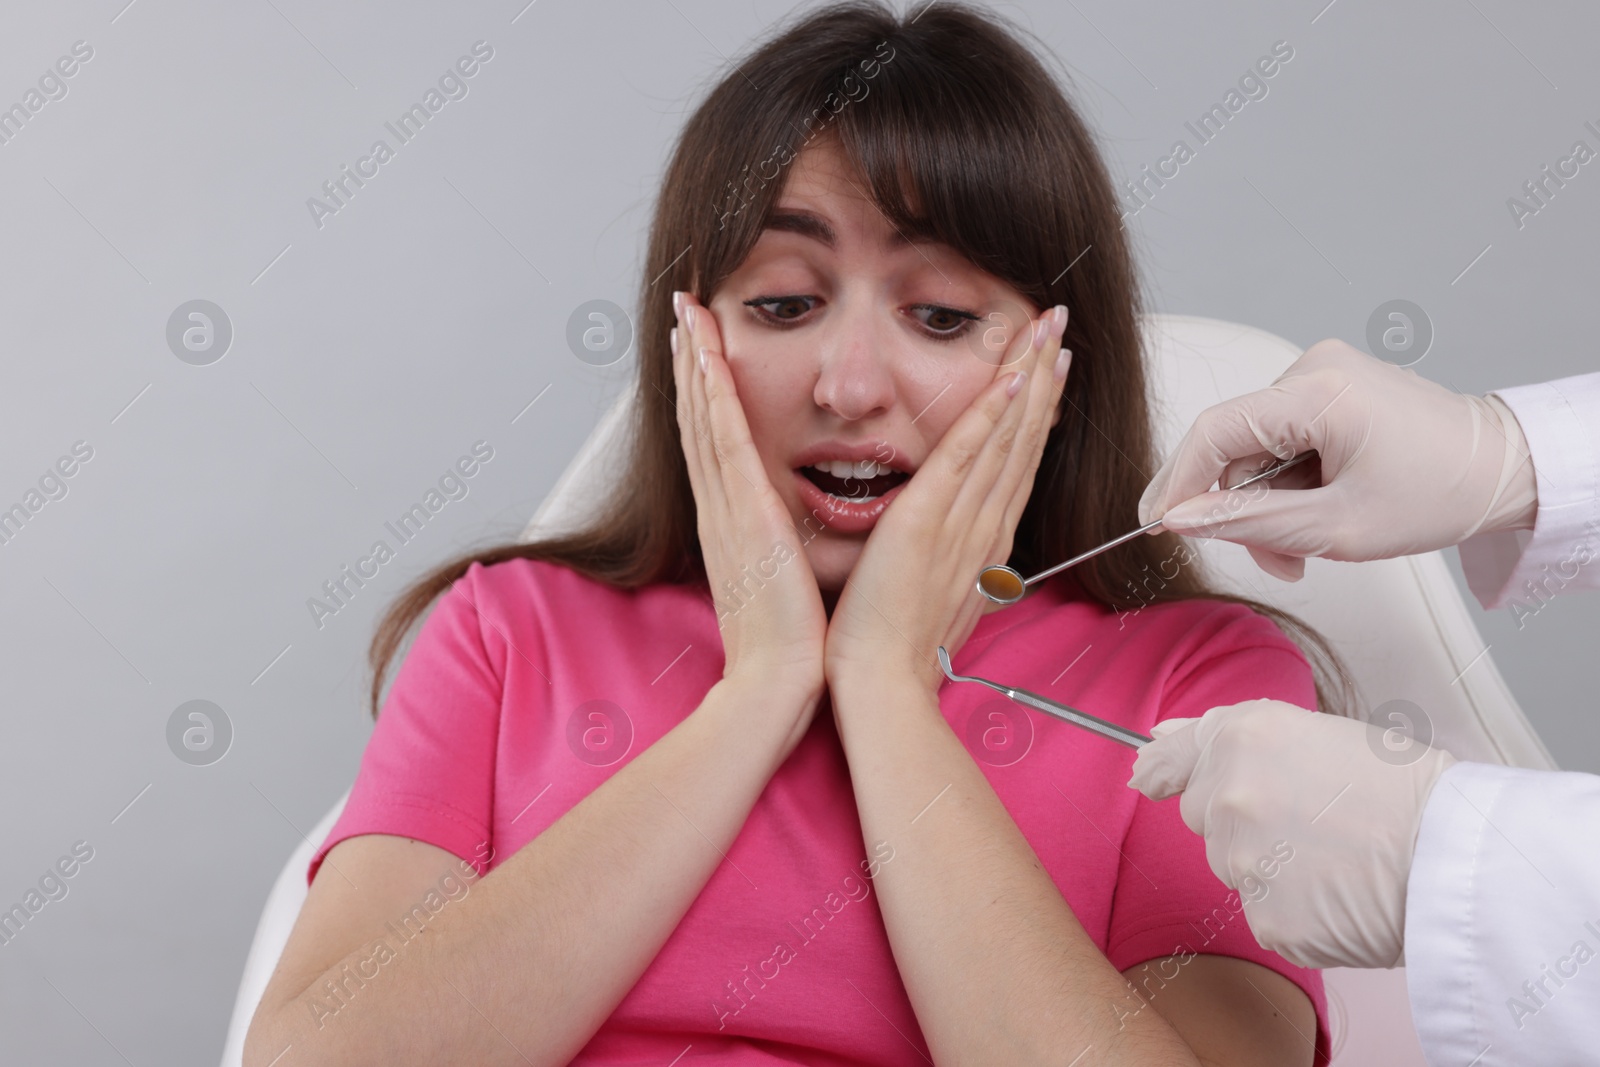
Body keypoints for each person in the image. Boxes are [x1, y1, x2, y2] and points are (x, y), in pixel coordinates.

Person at [243, 5, 1344, 1065]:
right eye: (781, 303)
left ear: (1055, 368)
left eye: (942, 315)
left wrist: (884, 682)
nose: (849, 384)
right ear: (689, 337)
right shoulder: (507, 631)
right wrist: (758, 688)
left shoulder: (1197, 685)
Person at [1127, 338, 1600, 1065]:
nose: (876, 380)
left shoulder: (1201, 662)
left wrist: (1444, 858)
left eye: (941, 317)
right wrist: (1515, 455)